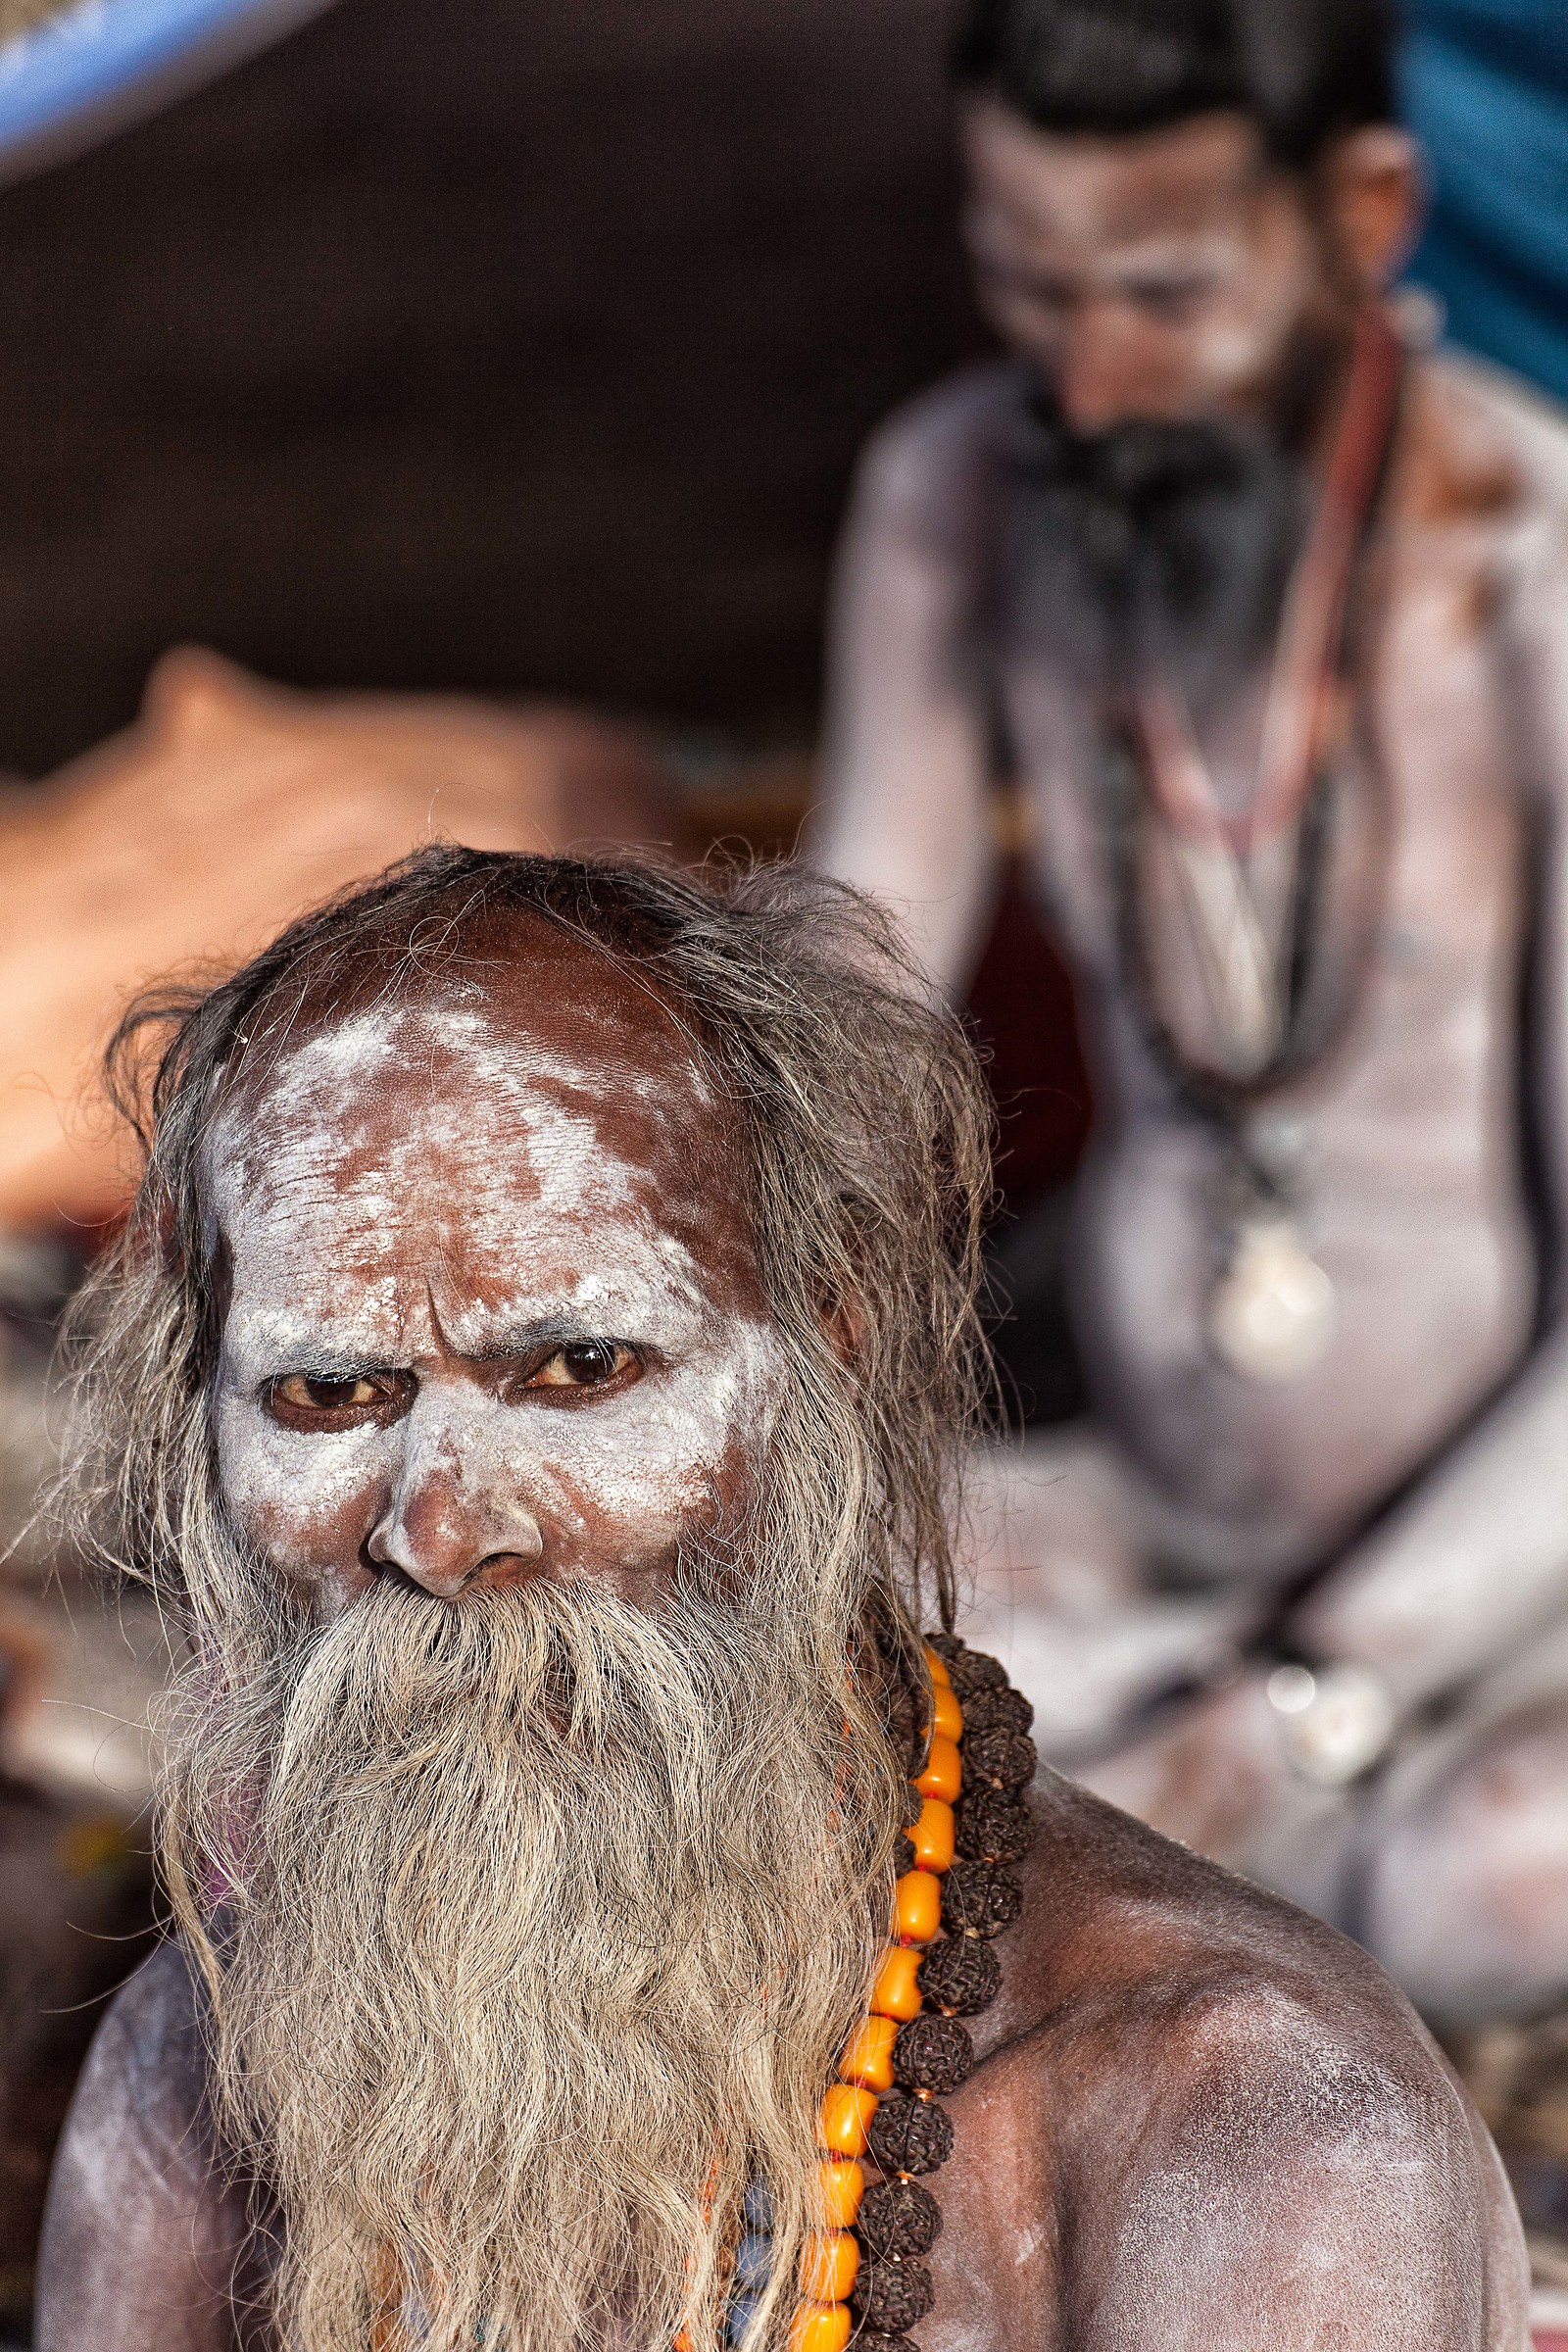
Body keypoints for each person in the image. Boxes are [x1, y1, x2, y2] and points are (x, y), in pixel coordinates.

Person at [35, 848, 1526, 2348]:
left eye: (580, 1368)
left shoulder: (1254, 2127)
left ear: (831, 1349)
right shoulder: (203, 2065)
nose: (435, 1529)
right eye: (328, 1393)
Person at [814, 0, 1568, 2028]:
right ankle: (1156, 1890)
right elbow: (838, 1022)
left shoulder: (1535, 562)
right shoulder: (959, 495)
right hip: (1153, 1521)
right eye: (1025, 283)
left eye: (1165, 294)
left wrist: (1309, 1701)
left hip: (1511, 1602)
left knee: (1499, 1876)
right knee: (707, 1617)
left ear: (1366, 215)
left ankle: (1173, 1898)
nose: (1090, 378)